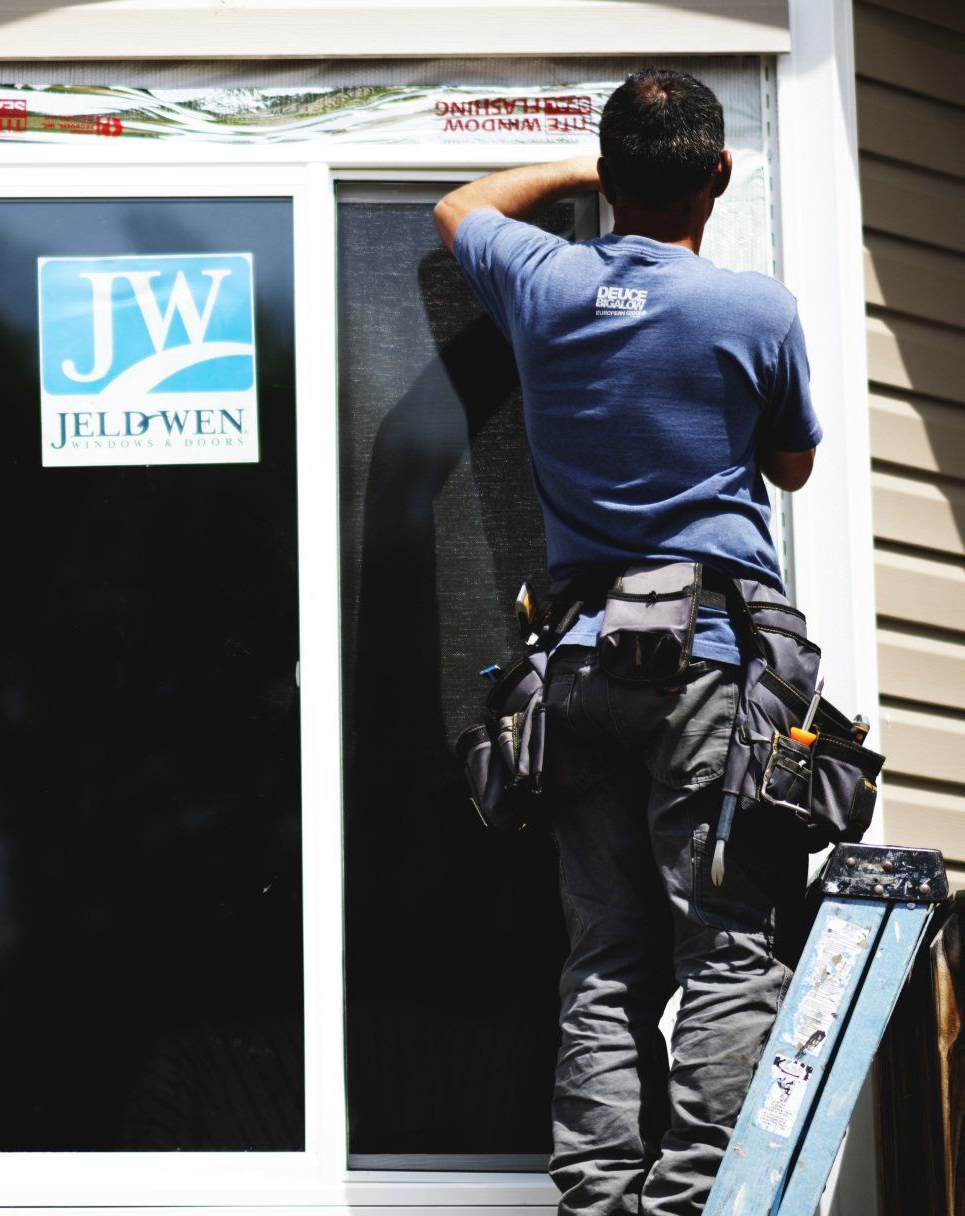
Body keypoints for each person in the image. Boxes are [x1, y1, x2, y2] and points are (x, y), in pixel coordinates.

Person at [434, 70, 822, 1215]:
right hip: (709, 655)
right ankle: (696, 1201)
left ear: (609, 180)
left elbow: (459, 206)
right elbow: (794, 465)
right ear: (721, 175)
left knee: (604, 956)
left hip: (584, 663)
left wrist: (580, 166)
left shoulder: (546, 283)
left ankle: (598, 1199)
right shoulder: (755, 310)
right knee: (725, 946)